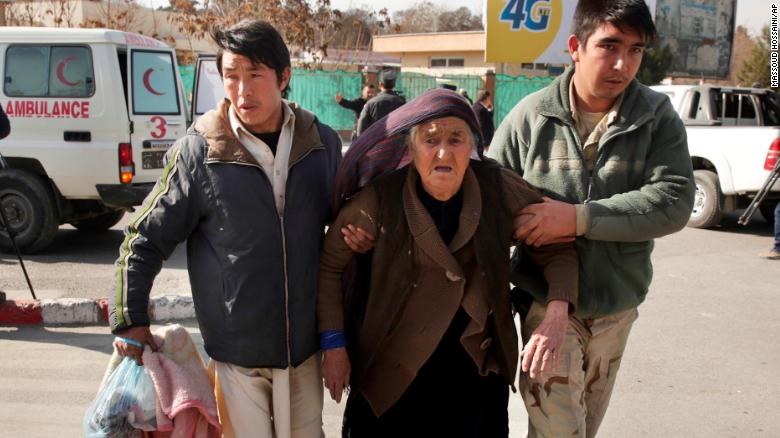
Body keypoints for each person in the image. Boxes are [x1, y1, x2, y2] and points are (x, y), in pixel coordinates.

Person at [108, 20, 343, 438]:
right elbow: (143, 237)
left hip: (305, 352)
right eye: (231, 75)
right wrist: (130, 319)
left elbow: (341, 229)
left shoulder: (320, 143)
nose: (242, 90)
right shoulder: (200, 150)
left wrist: (336, 337)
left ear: (284, 76)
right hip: (237, 355)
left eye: (255, 74)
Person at [318, 89, 579, 437]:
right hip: (392, 371)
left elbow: (556, 244)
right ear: (410, 150)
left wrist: (557, 312)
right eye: (430, 140)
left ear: (472, 147)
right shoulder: (381, 199)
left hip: (473, 376)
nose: (444, 151)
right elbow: (330, 265)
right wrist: (334, 344)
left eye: (456, 139)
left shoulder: (498, 189)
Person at [487, 1, 695, 437]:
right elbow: (489, 200)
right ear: (575, 47)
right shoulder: (532, 116)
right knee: (561, 431)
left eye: (636, 50)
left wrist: (579, 218)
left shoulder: (656, 117)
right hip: (545, 303)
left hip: (617, 307)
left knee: (577, 428)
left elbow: (674, 200)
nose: (623, 64)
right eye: (610, 46)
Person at [356, 70, 405, 135]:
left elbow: (361, 128)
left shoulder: (370, 103)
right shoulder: (401, 102)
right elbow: (406, 126)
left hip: (375, 143)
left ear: (380, 84)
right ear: (394, 85)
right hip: (395, 143)